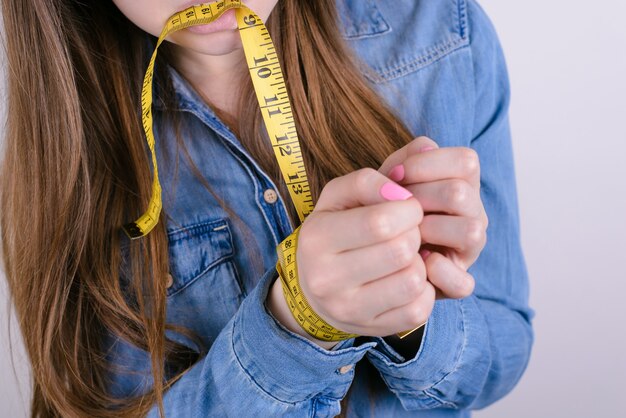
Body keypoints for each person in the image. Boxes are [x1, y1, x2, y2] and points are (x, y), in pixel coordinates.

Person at [0, 0, 533, 416]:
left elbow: (505, 355)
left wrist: (410, 315)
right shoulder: (66, 150)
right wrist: (292, 326)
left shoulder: (443, 37)